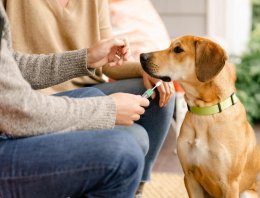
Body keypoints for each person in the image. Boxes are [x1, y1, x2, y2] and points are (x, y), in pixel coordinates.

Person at [4, 0, 175, 195]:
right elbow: (15, 107)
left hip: (80, 90)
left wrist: (138, 68)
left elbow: (13, 63)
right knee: (134, 141)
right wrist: (107, 109)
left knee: (161, 93)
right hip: (34, 101)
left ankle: (133, 187)